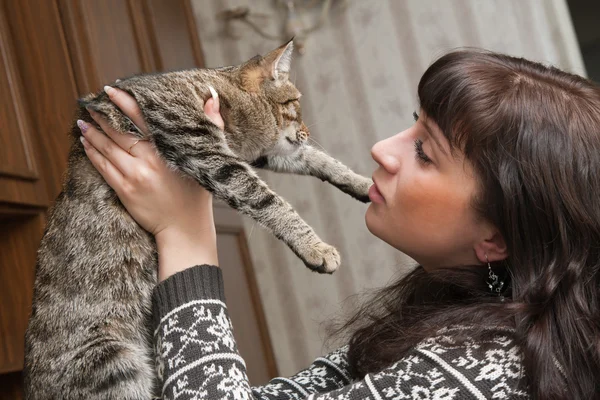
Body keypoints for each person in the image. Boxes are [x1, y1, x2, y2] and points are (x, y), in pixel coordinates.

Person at [78, 49, 600, 399]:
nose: (381, 149)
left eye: (424, 151)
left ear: (497, 239)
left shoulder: (476, 378)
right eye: (411, 121)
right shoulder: (457, 313)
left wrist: (185, 238)